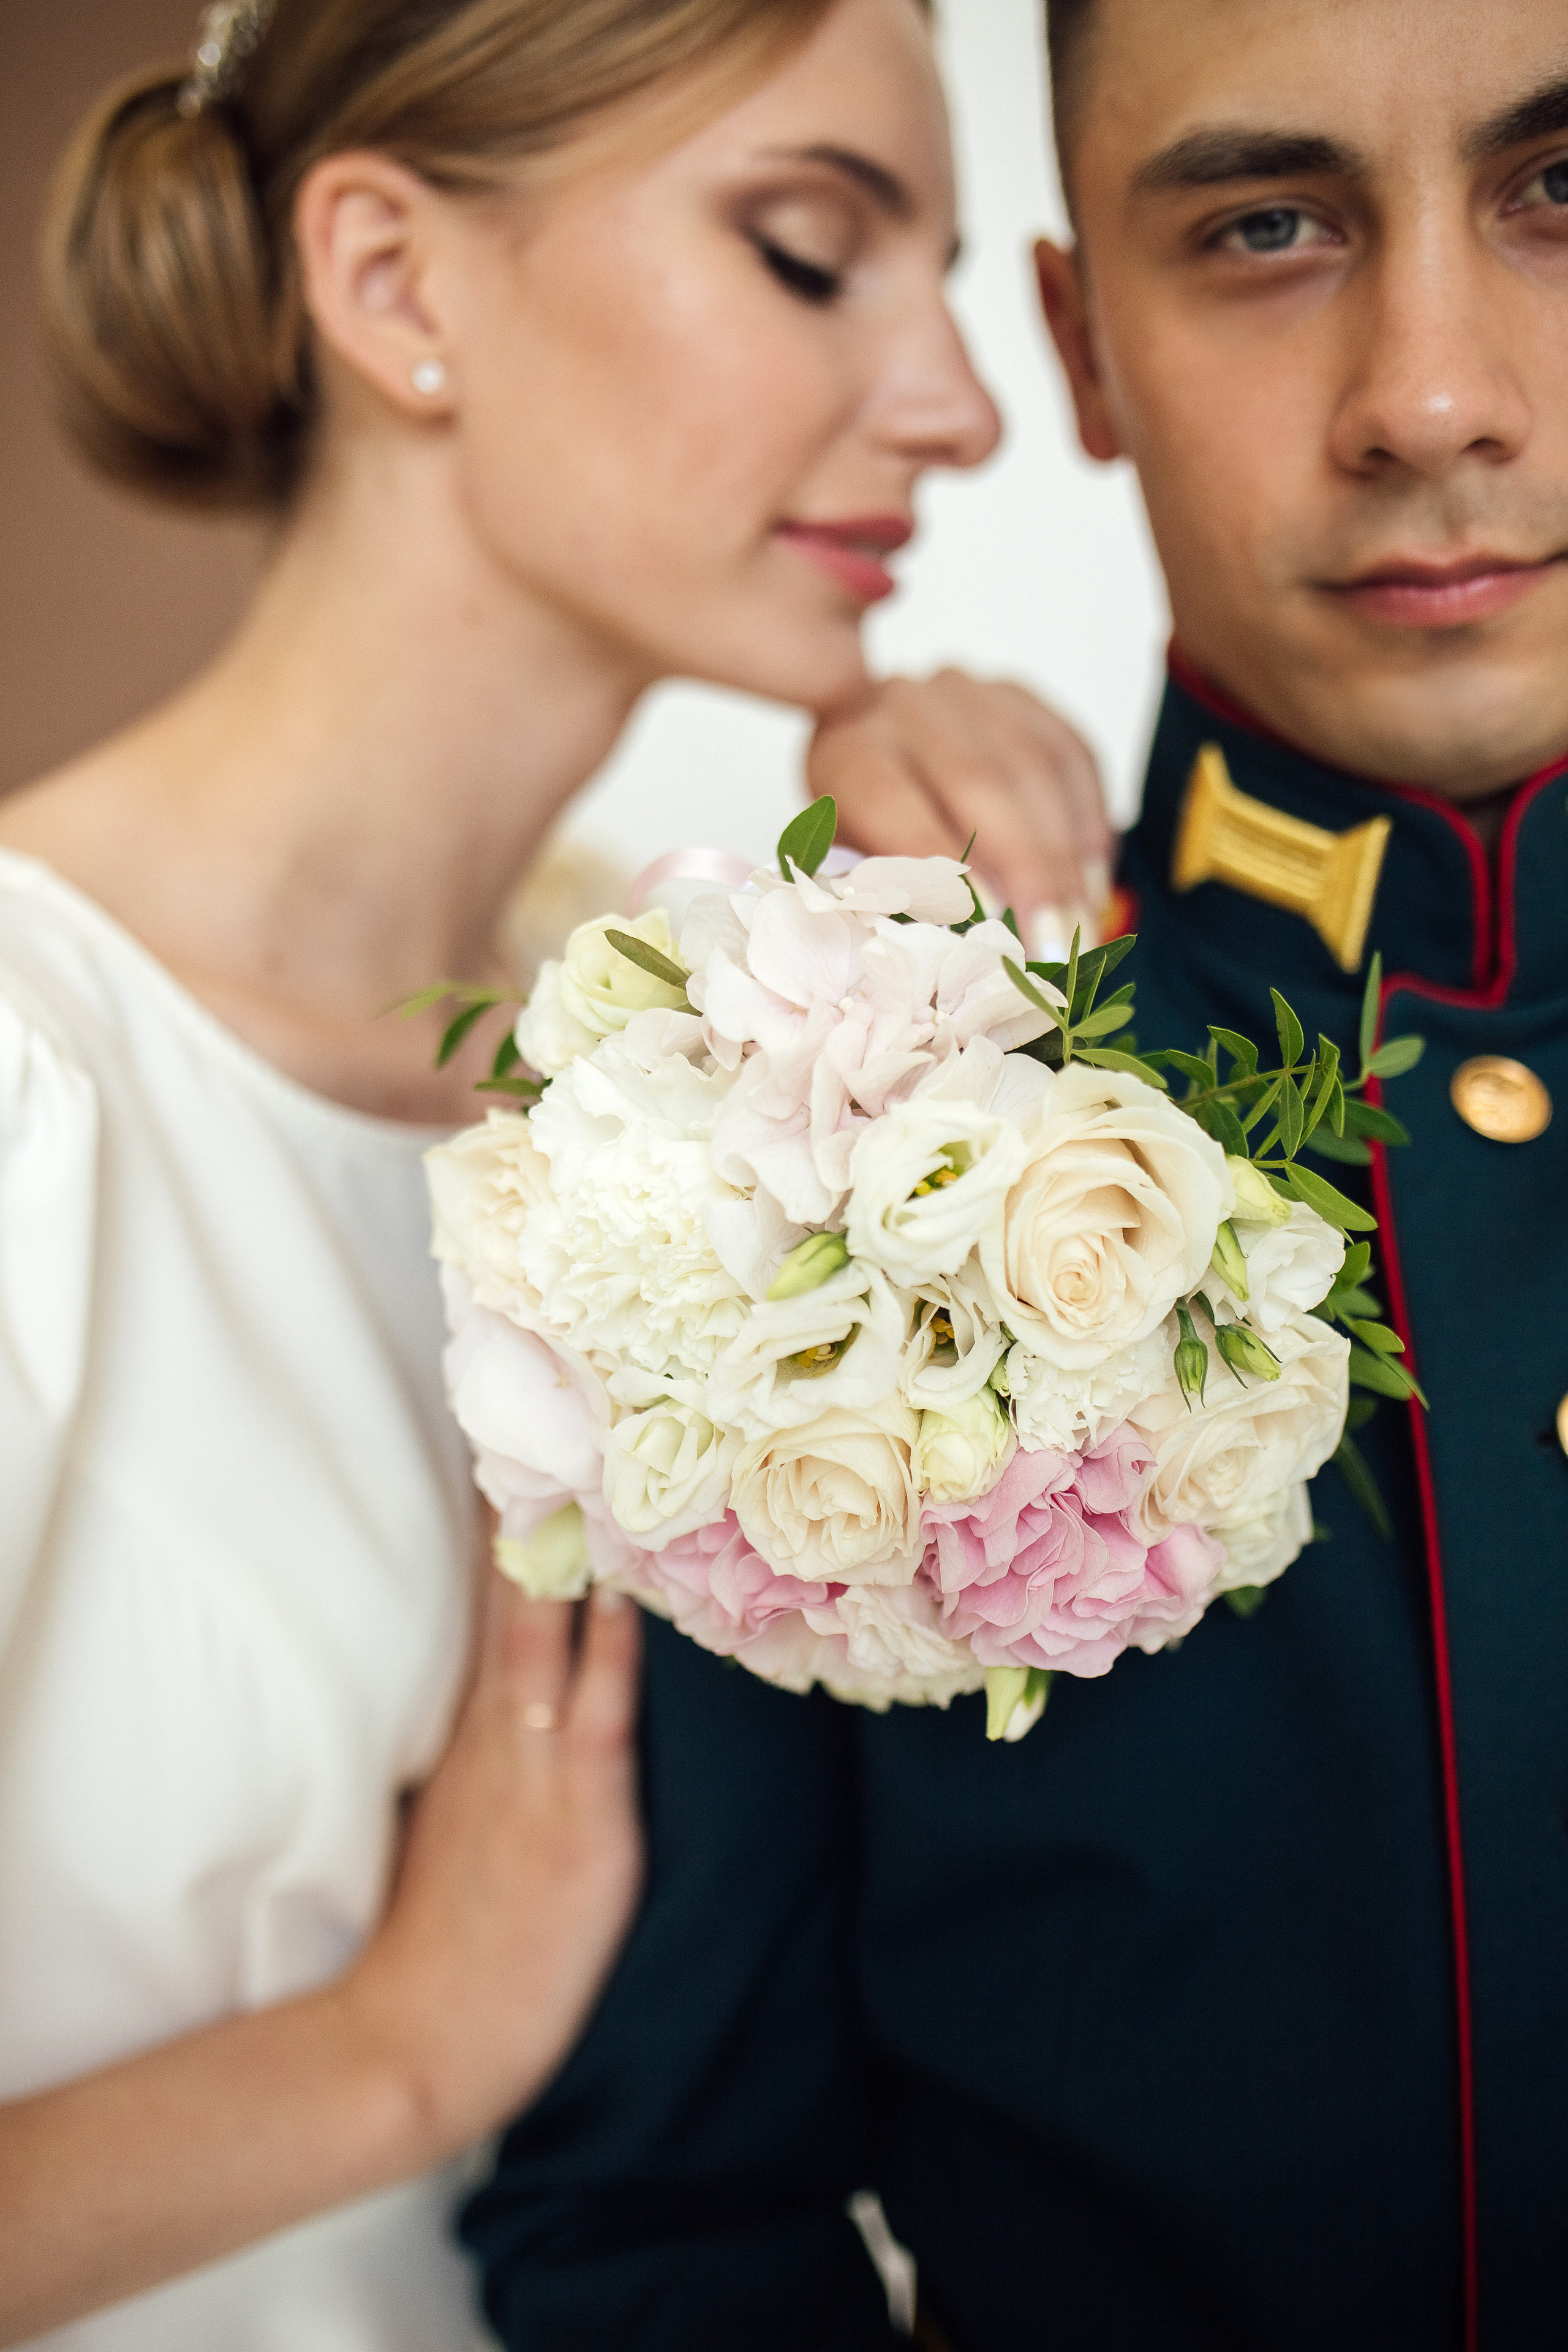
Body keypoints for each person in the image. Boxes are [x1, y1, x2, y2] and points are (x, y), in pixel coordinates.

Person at [0, 0, 1112, 2343]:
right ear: (397, 284)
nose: (964, 406)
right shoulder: (32, 1086)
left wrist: (937, 967)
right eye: (812, 252)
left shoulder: (692, 1036)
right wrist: (397, 2052)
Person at [460, 2, 1568, 2348]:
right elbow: (658, 2236)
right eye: (1267, 227)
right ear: (1081, 343)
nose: (1433, 398)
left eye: (1567, 191)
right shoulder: (827, 1126)